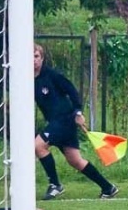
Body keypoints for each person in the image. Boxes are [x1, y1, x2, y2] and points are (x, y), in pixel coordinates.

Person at [34, 43, 119, 200]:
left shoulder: (52, 75)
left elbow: (71, 90)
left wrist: (78, 111)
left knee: (38, 146)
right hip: (56, 122)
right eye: (30, 57)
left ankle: (55, 185)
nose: (33, 60)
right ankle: (108, 188)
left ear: (42, 58)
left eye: (36, 56)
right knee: (75, 160)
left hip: (64, 119)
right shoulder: (29, 80)